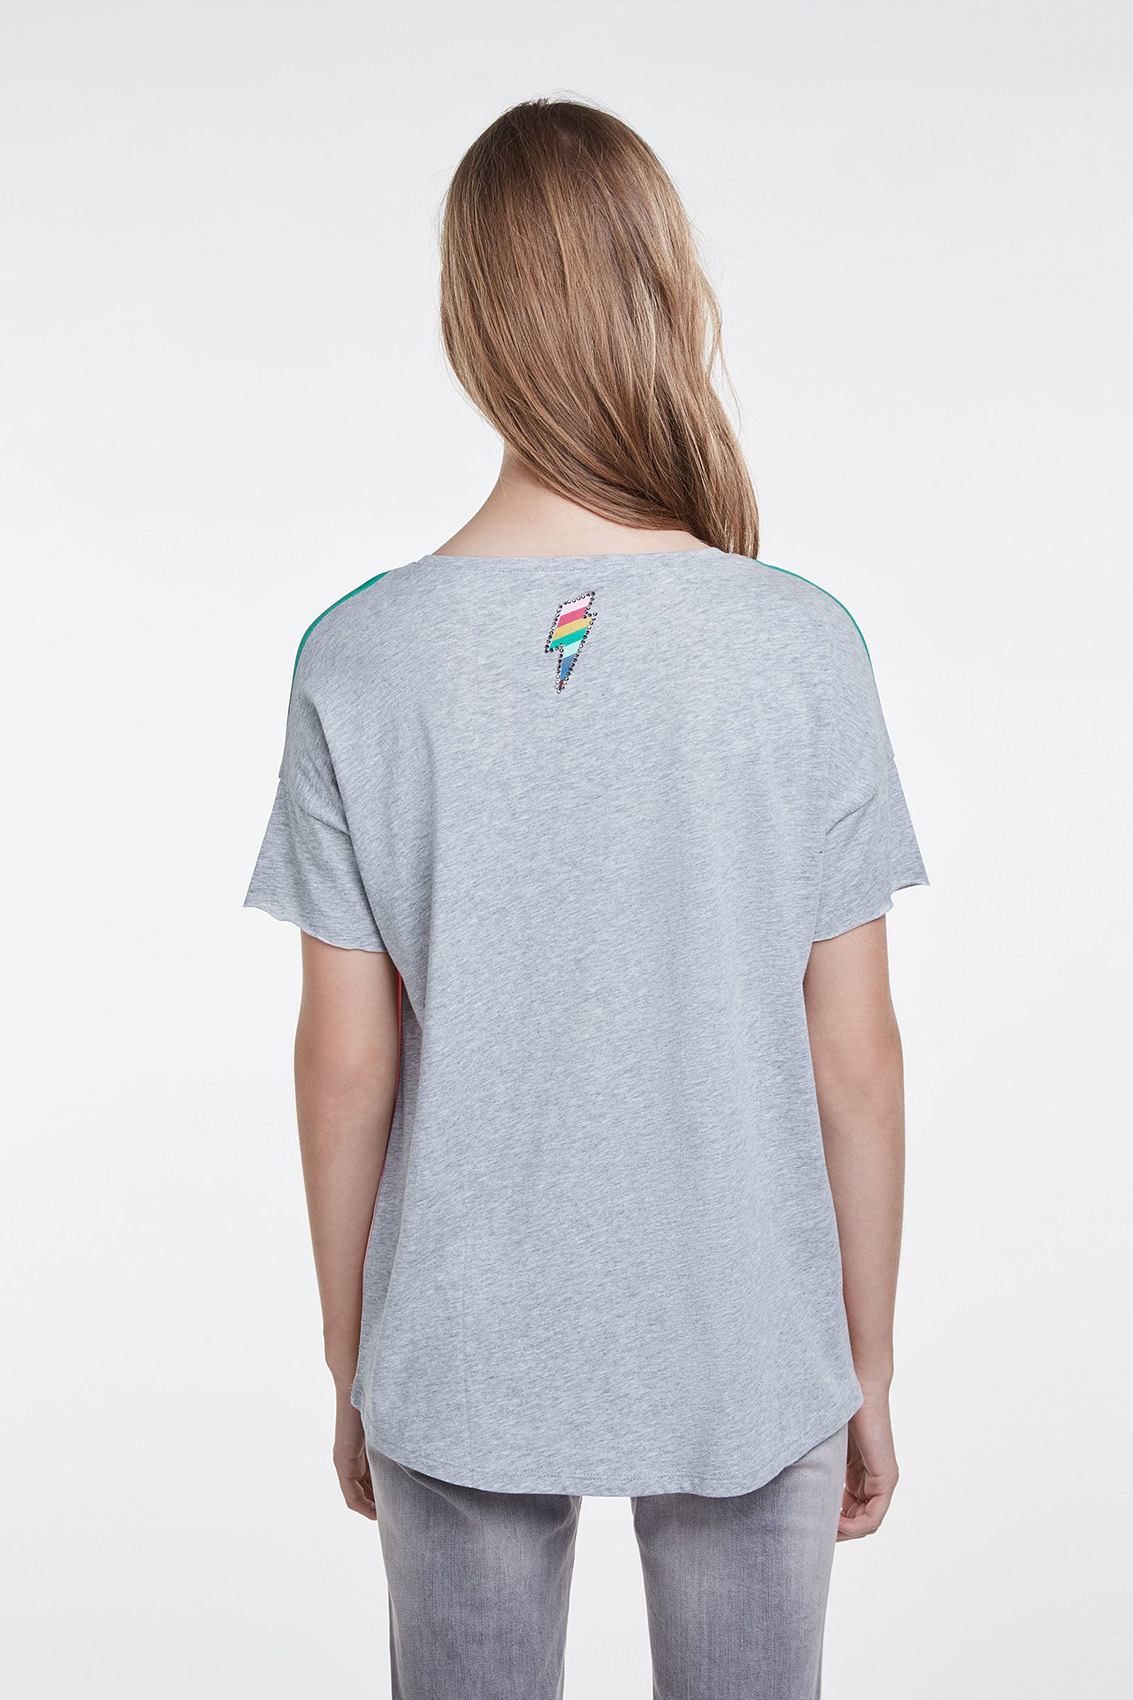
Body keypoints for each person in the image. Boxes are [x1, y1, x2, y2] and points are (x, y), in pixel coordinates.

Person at [245, 96, 929, 1700]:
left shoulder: (361, 655)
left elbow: (344, 1062)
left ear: (468, 322)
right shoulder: (797, 644)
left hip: (457, 1342)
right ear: (668, 296)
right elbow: (854, 1058)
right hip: (752, 1333)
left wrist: (354, 1358)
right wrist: (865, 1362)